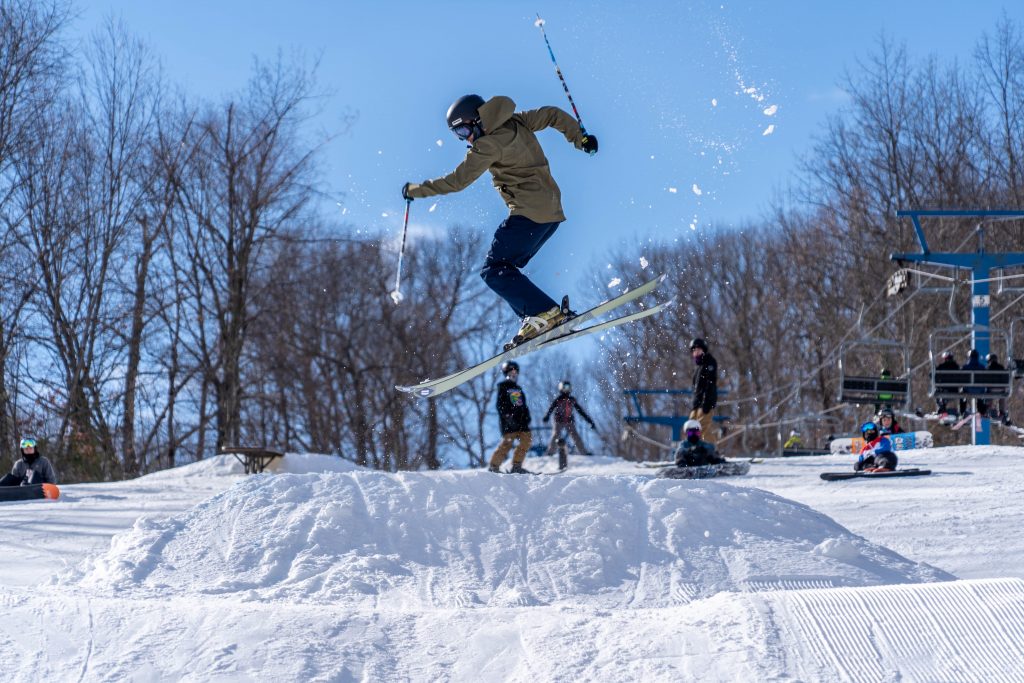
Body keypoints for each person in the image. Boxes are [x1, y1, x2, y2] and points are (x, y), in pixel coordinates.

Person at [402, 94, 598, 348]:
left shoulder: (486, 146)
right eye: (458, 135)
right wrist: (579, 138)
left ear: (477, 120)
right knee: (505, 268)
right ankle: (539, 317)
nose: (466, 139)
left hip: (528, 214)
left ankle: (543, 313)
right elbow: (551, 113)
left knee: (493, 270)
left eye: (463, 130)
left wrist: (415, 190)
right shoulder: (517, 121)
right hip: (551, 213)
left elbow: (456, 181)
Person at [488, 361, 533, 474]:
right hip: (509, 422)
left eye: (515, 372)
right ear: (506, 374)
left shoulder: (518, 389)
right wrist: (507, 416)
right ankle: (494, 466)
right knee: (507, 444)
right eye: (510, 372)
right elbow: (500, 404)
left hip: (521, 421)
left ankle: (516, 466)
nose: (513, 374)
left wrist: (527, 417)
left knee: (526, 440)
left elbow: (523, 405)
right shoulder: (503, 387)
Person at [542, 380, 596, 456]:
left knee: (575, 435)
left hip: (569, 421)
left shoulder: (572, 400)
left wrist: (590, 421)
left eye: (568, 387)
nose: (567, 390)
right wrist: (547, 416)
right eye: (565, 387)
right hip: (559, 421)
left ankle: (583, 452)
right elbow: (551, 408)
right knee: (556, 435)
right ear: (561, 388)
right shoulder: (558, 399)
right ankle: (550, 452)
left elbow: (581, 411)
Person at [689, 338, 718, 443]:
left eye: (698, 349)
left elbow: (710, 383)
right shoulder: (697, 368)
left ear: (703, 350)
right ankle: (694, 451)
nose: (696, 352)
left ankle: (712, 452)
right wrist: (694, 406)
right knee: (691, 428)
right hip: (697, 404)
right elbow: (696, 390)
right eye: (694, 350)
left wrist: (706, 402)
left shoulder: (709, 362)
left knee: (702, 429)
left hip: (706, 403)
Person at [962, 349, 987, 416]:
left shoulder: (965, 367)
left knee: (962, 392)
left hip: (968, 389)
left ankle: (962, 411)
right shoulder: (982, 367)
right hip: (980, 390)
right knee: (981, 391)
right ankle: (981, 410)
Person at [935, 351, 960, 417]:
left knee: (936, 391)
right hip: (955, 390)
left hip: (944, 390)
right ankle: (960, 411)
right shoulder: (956, 367)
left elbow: (933, 375)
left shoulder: (941, 367)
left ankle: (942, 409)